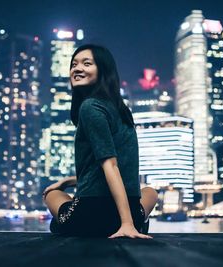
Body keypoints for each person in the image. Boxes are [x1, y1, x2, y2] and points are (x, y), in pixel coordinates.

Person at [43, 44, 158, 238]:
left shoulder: (89, 108)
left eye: (86, 63)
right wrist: (70, 180)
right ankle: (134, 221)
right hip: (131, 211)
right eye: (73, 64)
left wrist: (126, 225)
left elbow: (111, 166)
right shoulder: (121, 111)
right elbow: (117, 169)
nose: (77, 69)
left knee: (51, 195)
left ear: (103, 70)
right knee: (150, 192)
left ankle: (66, 225)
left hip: (92, 215)